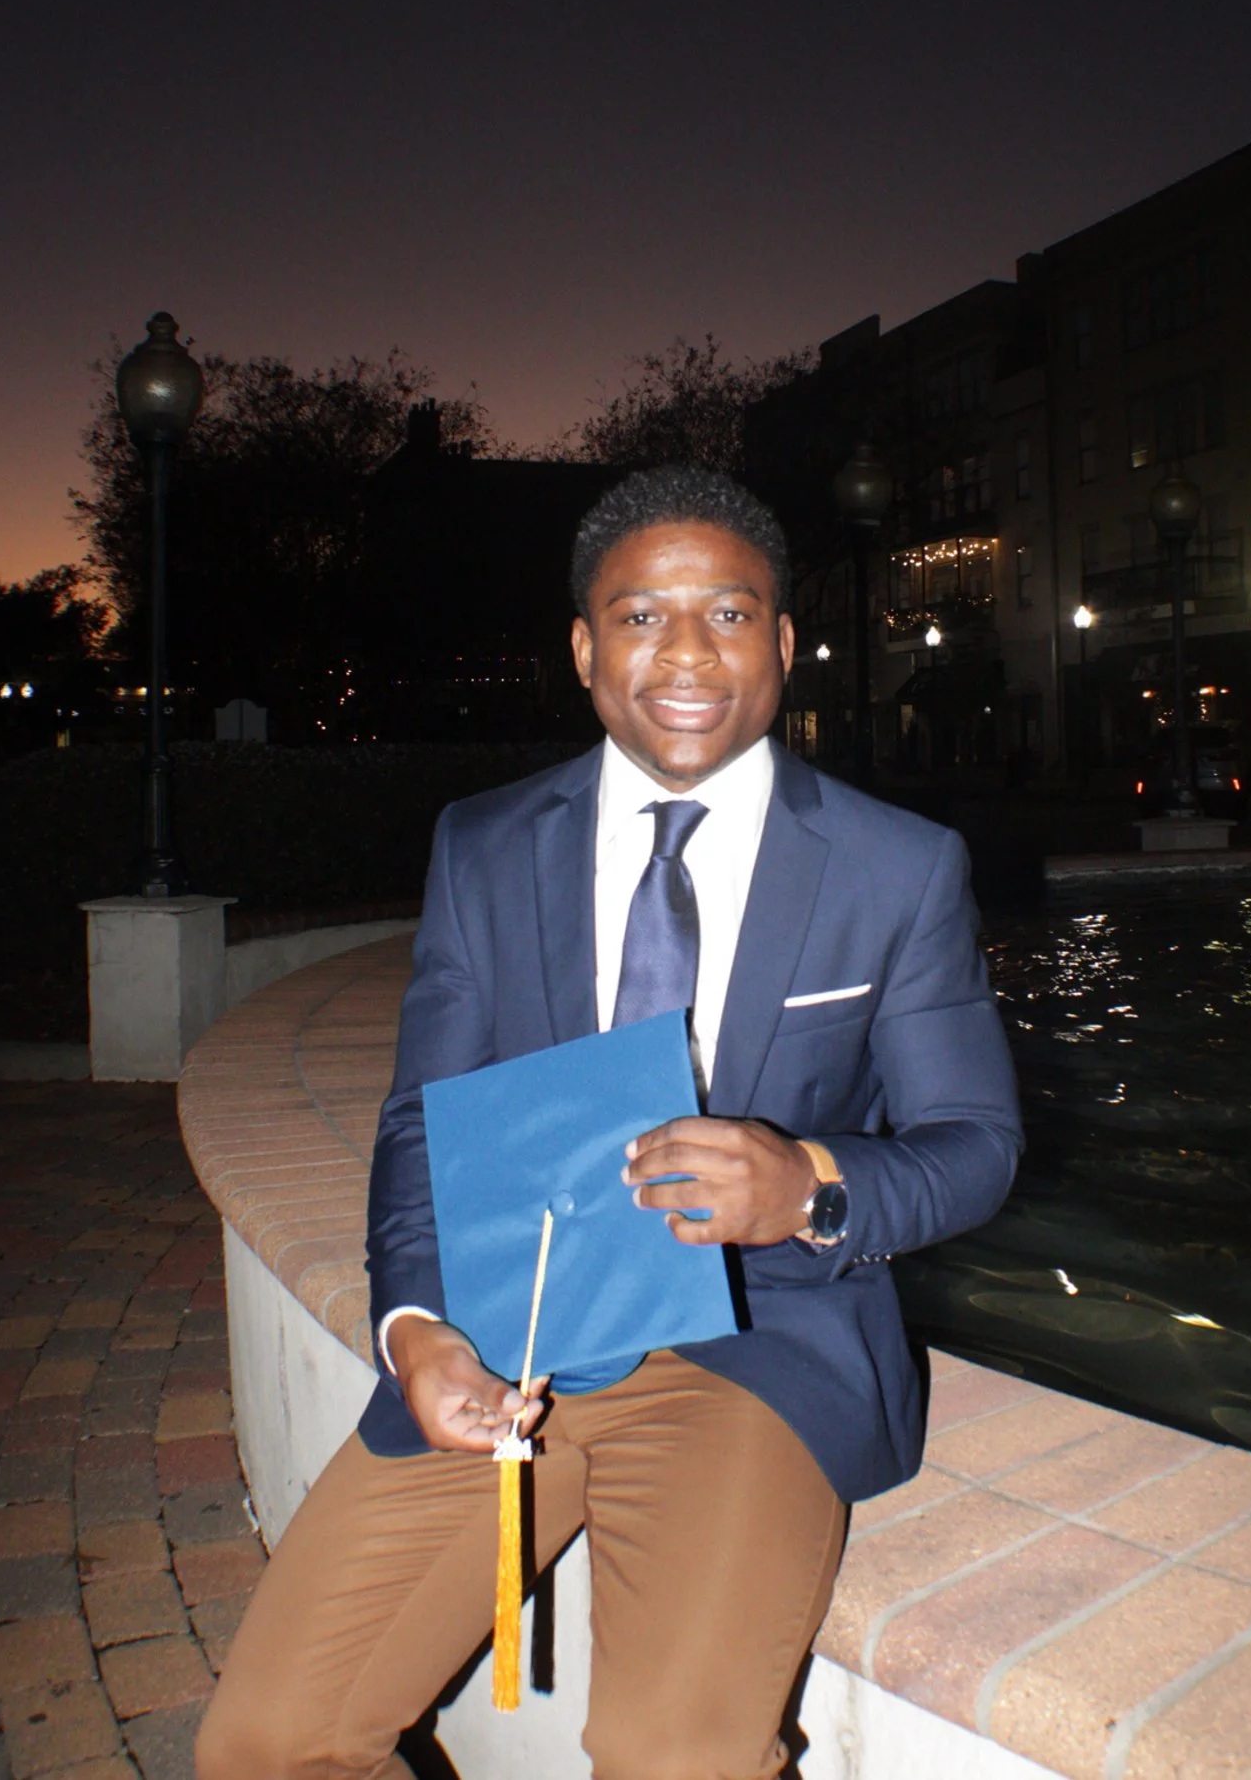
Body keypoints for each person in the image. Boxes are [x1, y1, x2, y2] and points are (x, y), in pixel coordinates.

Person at [196, 464, 1022, 1780]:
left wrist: (808, 1181)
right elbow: (424, 1119)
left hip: (759, 1347)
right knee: (266, 1744)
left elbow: (975, 1140)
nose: (685, 652)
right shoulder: (485, 845)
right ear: (585, 649)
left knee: (672, 1755)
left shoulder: (895, 864)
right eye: (641, 616)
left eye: (729, 613)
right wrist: (418, 1329)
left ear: (785, 642)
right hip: (508, 1342)